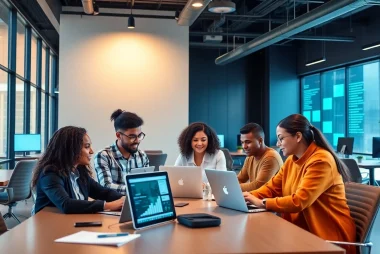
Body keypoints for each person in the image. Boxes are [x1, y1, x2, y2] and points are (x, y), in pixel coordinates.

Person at [243, 114, 356, 254]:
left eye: (281, 138)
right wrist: (245, 197)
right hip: (300, 231)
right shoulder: (292, 160)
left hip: (328, 238)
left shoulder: (321, 161)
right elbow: (271, 188)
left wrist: (263, 203)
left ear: (297, 136)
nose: (278, 144)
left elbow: (299, 201)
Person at [32, 126, 124, 214]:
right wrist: (108, 205)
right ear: (71, 149)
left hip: (72, 222)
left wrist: (125, 200)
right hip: (50, 225)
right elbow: (66, 204)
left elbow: (103, 192)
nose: (91, 151)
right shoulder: (50, 174)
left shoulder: (79, 171)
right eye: (87, 146)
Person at [94, 109, 149, 195]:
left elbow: (147, 184)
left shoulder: (142, 156)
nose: (137, 140)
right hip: (113, 206)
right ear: (119, 135)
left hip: (138, 203)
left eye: (139, 136)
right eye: (132, 136)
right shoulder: (103, 156)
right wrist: (135, 189)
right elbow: (106, 186)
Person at [237, 123, 283, 191]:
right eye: (242, 142)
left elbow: (258, 186)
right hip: (257, 199)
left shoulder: (271, 157)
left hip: (268, 200)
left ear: (260, 141)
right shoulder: (250, 157)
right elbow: (240, 179)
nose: (244, 146)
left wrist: (232, 187)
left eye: (248, 142)